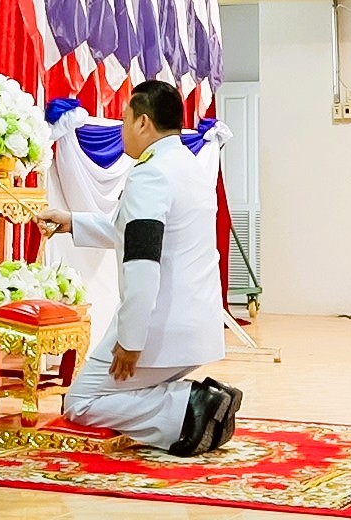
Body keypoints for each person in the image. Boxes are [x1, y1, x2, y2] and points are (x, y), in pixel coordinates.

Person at [34, 81, 239, 456]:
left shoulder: (151, 173)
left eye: (125, 118)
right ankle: (197, 405)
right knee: (113, 394)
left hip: (161, 329)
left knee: (81, 402)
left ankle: (191, 405)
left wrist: (131, 340)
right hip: (197, 324)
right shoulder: (188, 166)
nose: (122, 128)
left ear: (143, 122)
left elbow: (143, 261)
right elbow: (134, 231)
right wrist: (72, 222)